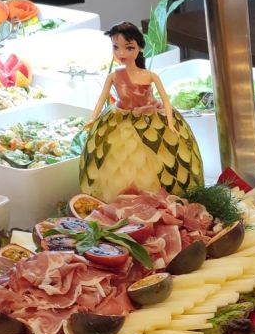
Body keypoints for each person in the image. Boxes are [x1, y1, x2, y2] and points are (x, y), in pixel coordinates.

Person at [78, 21, 204, 200]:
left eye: (128, 48)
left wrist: (170, 122)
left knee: (166, 164)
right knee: (115, 164)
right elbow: (100, 100)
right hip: (118, 120)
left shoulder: (150, 76)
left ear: (140, 48)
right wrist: (93, 119)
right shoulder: (114, 76)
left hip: (153, 120)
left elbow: (166, 101)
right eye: (116, 47)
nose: (121, 53)